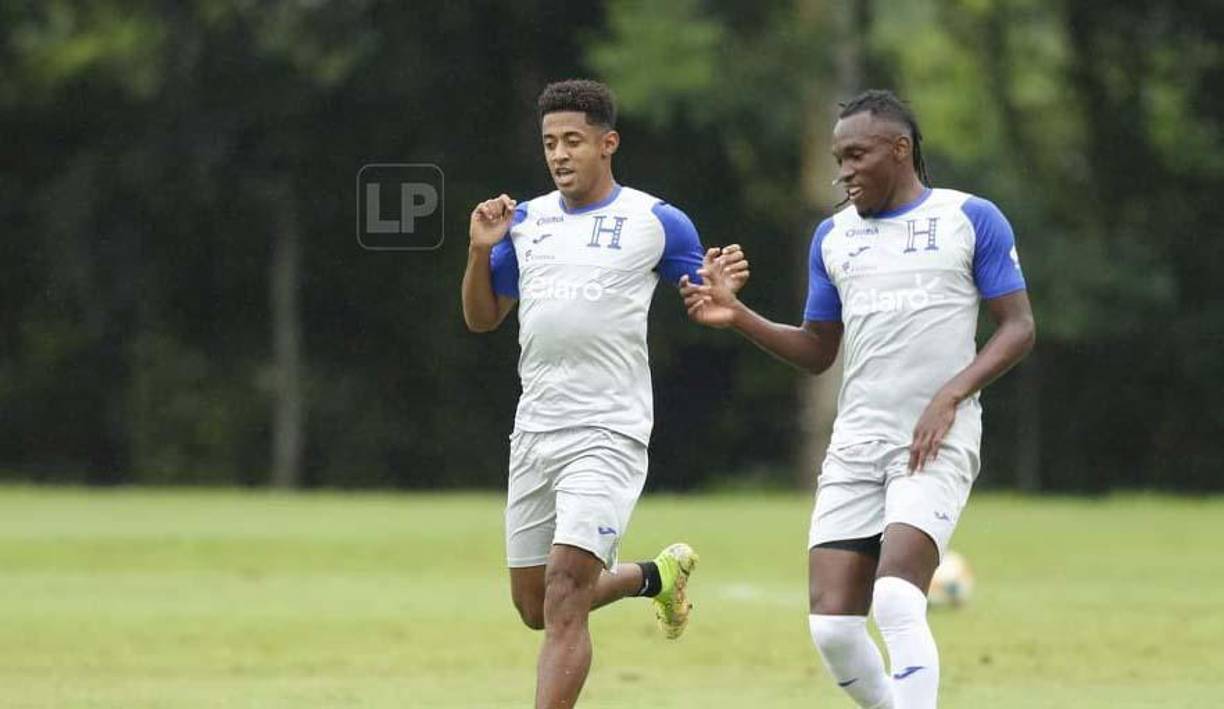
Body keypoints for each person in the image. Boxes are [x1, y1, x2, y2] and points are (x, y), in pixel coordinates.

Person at [682, 89, 1036, 708]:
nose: (843, 172)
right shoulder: (833, 237)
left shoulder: (970, 218)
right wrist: (738, 316)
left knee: (896, 599)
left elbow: (1019, 327)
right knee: (834, 630)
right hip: (855, 444)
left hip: (933, 441)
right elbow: (818, 349)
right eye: (838, 159)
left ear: (899, 149)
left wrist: (952, 394)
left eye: (856, 156)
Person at [460, 79, 748, 709]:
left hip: (608, 430)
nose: (559, 154)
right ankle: (655, 575)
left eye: (573, 141)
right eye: (549, 143)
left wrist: (719, 292)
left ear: (607, 144)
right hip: (535, 430)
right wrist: (480, 252)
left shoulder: (656, 221)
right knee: (534, 606)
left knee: (566, 592)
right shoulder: (524, 222)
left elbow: (704, 296)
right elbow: (482, 318)